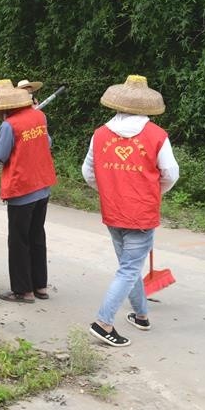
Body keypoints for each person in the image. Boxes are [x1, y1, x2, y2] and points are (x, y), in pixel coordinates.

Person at [82, 75, 179, 347]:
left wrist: (107, 189)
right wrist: (155, 191)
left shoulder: (100, 134)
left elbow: (88, 172)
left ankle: (141, 315)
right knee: (128, 269)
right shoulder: (157, 135)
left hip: (113, 210)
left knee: (129, 266)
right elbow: (170, 173)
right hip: (141, 212)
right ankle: (103, 323)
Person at [0, 79, 57, 303]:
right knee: (36, 237)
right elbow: (48, 143)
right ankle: (40, 286)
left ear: (4, 107)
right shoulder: (39, 116)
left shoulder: (9, 126)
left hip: (22, 190)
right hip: (42, 187)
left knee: (18, 242)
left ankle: (23, 291)